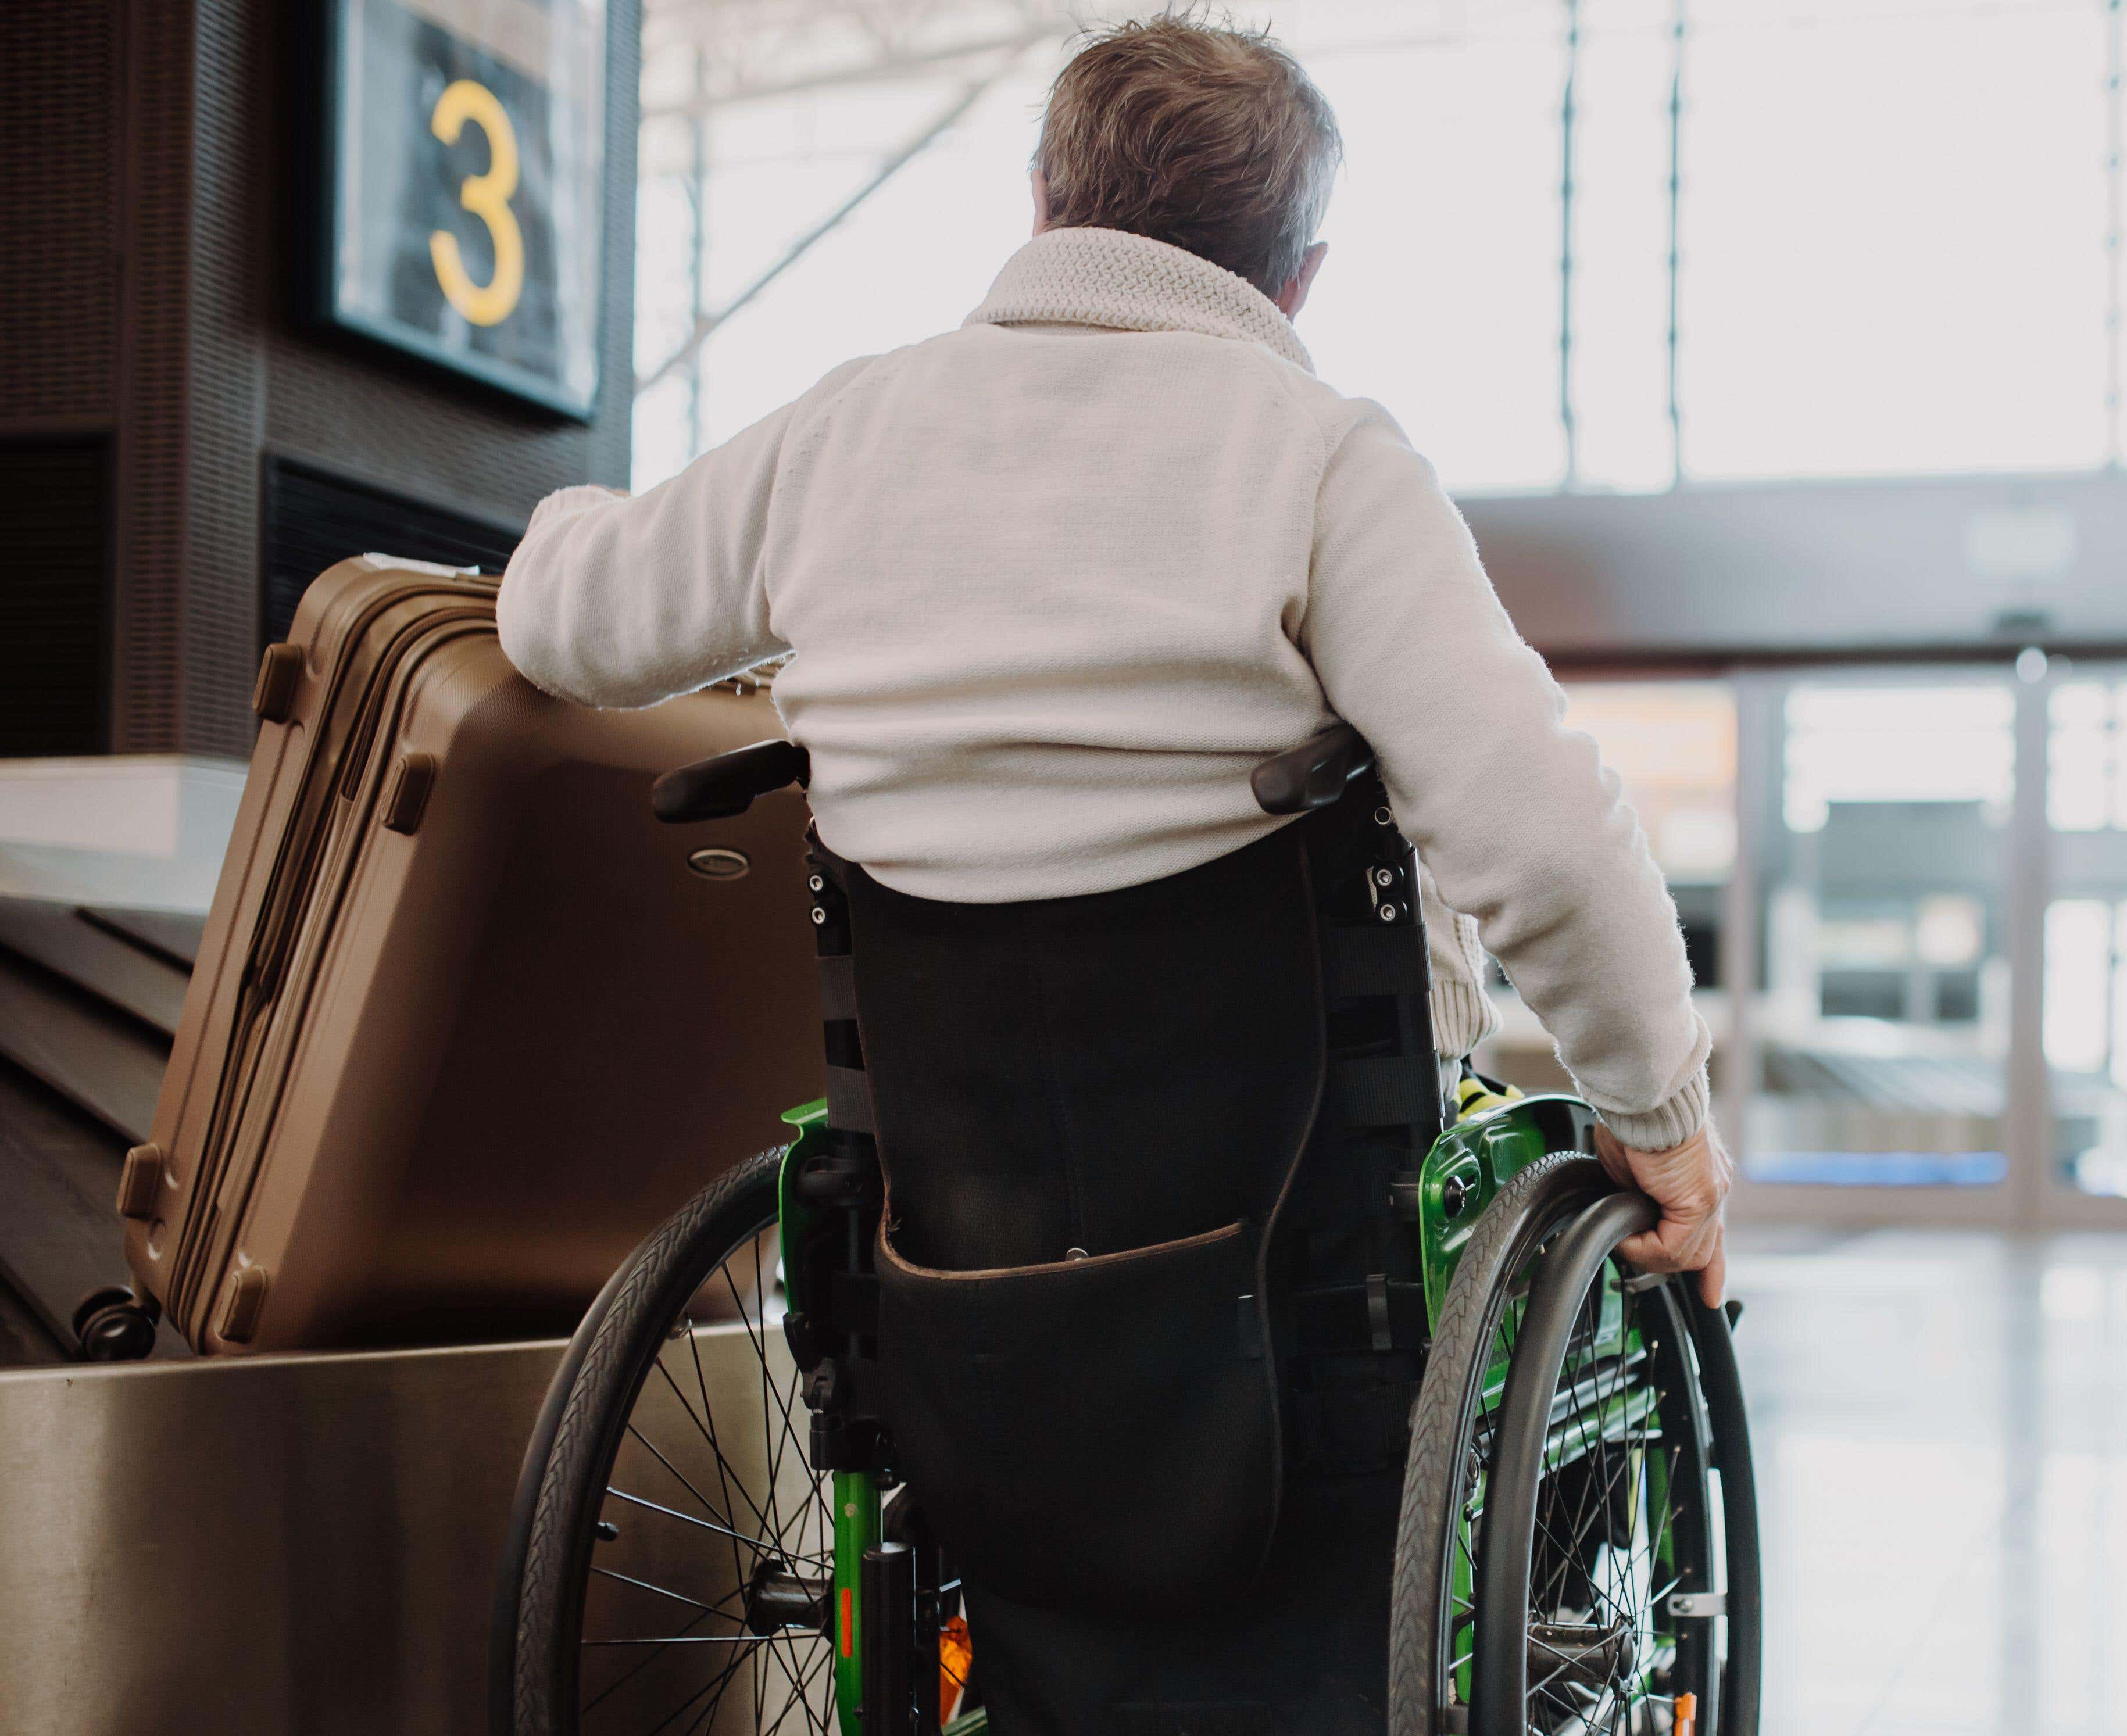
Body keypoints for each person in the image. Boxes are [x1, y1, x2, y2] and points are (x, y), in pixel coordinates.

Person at [498, 12, 1731, 1724]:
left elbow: (561, 614)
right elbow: (1542, 832)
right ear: (1295, 279)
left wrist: (560, 523)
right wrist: (1662, 1117)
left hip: (952, 1295)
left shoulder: (841, 437)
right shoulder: (1317, 460)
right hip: (1306, 1313)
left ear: (1040, 203)